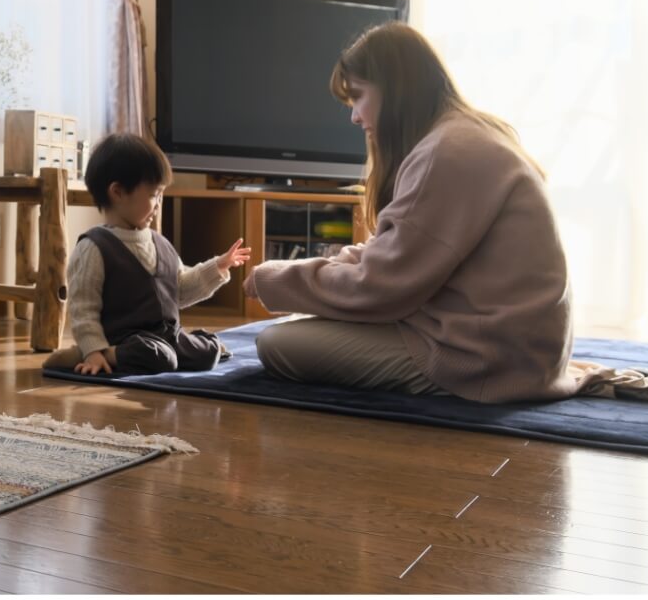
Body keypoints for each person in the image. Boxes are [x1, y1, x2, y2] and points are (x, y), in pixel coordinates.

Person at [246, 22, 580, 404]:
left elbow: (378, 287)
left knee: (277, 342)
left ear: (395, 88)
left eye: (357, 97)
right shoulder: (467, 134)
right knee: (309, 323)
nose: (354, 117)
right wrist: (299, 276)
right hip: (524, 350)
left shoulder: (446, 152)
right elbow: (392, 252)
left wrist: (277, 279)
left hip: (490, 360)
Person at [43, 133, 251, 376]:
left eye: (161, 195)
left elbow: (179, 291)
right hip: (128, 341)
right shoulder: (94, 247)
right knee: (159, 357)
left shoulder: (160, 243)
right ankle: (96, 354)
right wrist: (93, 350)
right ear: (118, 192)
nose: (159, 204)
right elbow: (83, 309)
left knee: (207, 353)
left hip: (165, 337)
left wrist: (217, 267)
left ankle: (188, 348)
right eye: (153, 195)